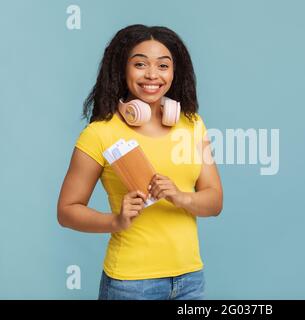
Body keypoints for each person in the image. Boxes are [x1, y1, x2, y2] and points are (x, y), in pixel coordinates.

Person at [57, 25, 223, 300]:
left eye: (163, 65)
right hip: (132, 284)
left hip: (190, 279)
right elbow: (66, 211)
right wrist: (116, 221)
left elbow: (214, 200)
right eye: (140, 64)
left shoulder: (192, 125)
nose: (152, 75)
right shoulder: (100, 133)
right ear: (122, 69)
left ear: (174, 72)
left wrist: (180, 197)